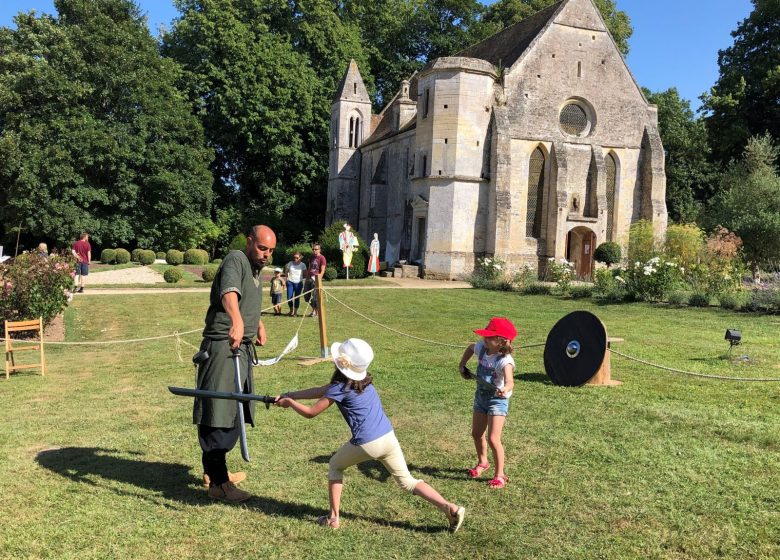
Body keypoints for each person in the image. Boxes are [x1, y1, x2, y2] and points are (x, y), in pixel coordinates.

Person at [275, 338, 465, 532]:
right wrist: (291, 394)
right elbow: (321, 390)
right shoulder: (362, 381)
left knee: (335, 466)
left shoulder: (339, 387)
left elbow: (310, 412)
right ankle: (450, 508)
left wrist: (289, 403)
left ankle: (333, 519)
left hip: (367, 443)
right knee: (408, 481)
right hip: (388, 437)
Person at [193, 224, 276, 503]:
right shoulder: (236, 259)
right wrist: (237, 322)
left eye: (270, 250)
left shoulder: (254, 270)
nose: (266, 254)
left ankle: (214, 472)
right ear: (249, 241)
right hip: (223, 346)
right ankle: (219, 483)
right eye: (262, 248)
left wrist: (257, 324)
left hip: (240, 347)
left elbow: (247, 300)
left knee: (234, 410)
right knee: (219, 412)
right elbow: (229, 293)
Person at [457, 317, 517, 489]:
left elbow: (510, 382)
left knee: (493, 438)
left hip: (497, 402)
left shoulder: (505, 361)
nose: (484, 338)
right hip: (481, 398)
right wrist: (462, 365)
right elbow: (470, 348)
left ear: (501, 341)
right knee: (476, 433)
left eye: (489, 337)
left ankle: (500, 475)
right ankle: (483, 462)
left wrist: (505, 388)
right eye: (485, 335)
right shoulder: (482, 348)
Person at [305, 243, 326, 318]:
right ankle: (314, 310)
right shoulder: (311, 257)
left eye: (316, 249)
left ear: (319, 250)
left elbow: (322, 270)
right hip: (309, 278)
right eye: (313, 249)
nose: (314, 250)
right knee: (306, 297)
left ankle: (316, 312)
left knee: (314, 297)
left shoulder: (322, 258)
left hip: (316, 279)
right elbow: (309, 267)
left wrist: (319, 279)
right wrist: (307, 277)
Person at [284, 252, 307, 316]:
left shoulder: (303, 265)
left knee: (297, 298)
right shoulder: (290, 263)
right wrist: (287, 279)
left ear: (300, 257)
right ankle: (291, 311)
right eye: (294, 257)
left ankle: (295, 312)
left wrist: (302, 280)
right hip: (290, 283)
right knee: (289, 298)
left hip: (298, 284)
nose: (295, 259)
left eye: (297, 257)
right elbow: (286, 271)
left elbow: (305, 274)